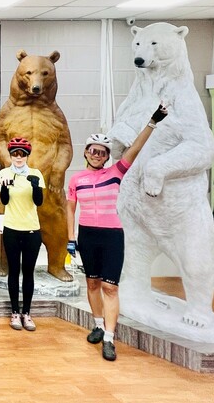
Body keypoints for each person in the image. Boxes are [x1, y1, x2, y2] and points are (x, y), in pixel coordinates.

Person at [66, 104, 168, 361]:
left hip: (112, 236)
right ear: (86, 152)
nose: (97, 155)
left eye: (102, 152)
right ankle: (98, 325)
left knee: (110, 287)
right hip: (87, 235)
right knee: (92, 283)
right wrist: (71, 239)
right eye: (93, 150)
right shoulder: (76, 179)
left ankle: (109, 338)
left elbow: (135, 148)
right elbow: (70, 209)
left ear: (106, 156)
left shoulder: (116, 173)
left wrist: (153, 121)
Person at [0, 137, 45, 332]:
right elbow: (4, 201)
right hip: (11, 228)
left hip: (32, 229)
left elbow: (39, 202)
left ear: (27, 156)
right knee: (13, 271)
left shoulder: (36, 173)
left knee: (28, 271)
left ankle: (27, 313)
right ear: (10, 155)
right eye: (15, 154)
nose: (18, 158)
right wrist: (5, 186)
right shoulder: (4, 173)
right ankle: (15, 313)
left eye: (22, 154)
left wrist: (35, 186)